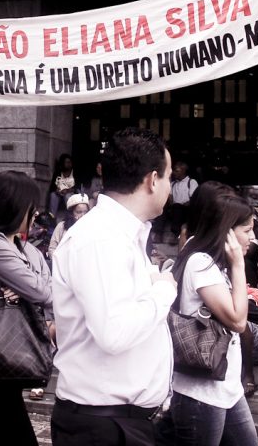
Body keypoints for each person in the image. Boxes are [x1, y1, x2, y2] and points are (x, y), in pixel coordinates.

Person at [51, 127, 177, 446]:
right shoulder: (100, 238)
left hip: (124, 421)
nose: (169, 187)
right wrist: (164, 290)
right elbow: (114, 332)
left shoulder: (122, 235)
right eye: (169, 177)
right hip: (105, 426)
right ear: (152, 180)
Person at [156, 185, 258, 446]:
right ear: (227, 233)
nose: (252, 238)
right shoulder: (201, 262)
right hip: (201, 394)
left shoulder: (212, 260)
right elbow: (237, 321)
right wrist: (238, 264)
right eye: (246, 231)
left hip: (226, 388)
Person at [0, 171, 53, 444]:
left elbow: (44, 286)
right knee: (14, 430)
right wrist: (30, 290)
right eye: (31, 207)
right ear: (14, 206)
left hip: (8, 354)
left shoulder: (26, 248)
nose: (35, 214)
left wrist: (26, 290)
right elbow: (42, 291)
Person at [47, 193, 89, 260]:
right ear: (71, 213)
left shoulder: (91, 228)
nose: (83, 216)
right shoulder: (61, 226)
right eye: (79, 212)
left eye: (85, 212)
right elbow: (52, 249)